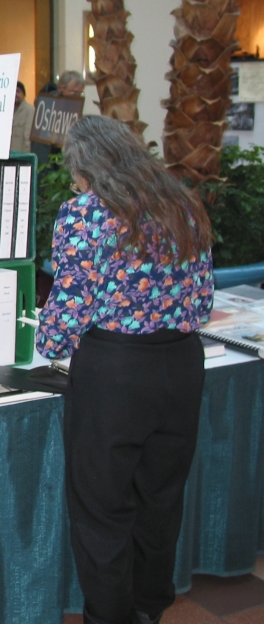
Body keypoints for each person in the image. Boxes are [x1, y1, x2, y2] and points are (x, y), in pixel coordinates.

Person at [36, 116, 214, 624]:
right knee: (160, 502)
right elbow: (202, 300)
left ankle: (110, 617)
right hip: (181, 364)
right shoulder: (182, 203)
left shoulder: (85, 214)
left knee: (102, 510)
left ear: (85, 165)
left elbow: (69, 306)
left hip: (114, 374)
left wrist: (48, 343)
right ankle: (149, 609)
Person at [11, 81, 34, 152]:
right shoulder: (8, 111)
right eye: (13, 91)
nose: (15, 94)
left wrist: (27, 157)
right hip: (8, 157)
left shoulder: (29, 110)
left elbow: (28, 138)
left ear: (24, 94)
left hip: (22, 156)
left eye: (18, 91)